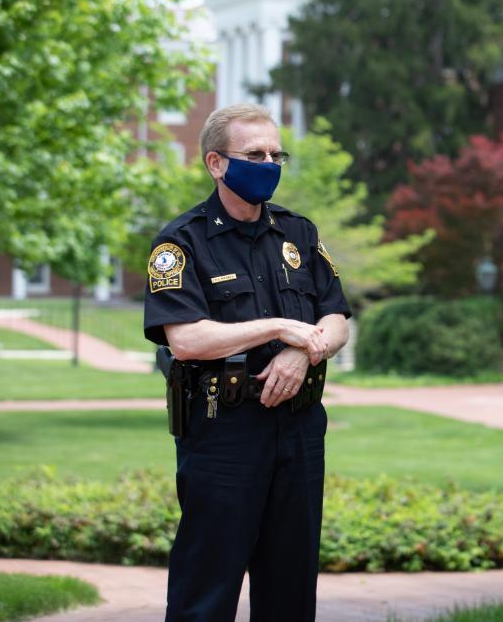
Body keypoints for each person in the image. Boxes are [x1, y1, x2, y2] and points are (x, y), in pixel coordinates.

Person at [143, 103, 351, 622]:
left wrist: (303, 350)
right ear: (216, 163)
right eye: (254, 154)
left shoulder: (298, 233)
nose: (269, 164)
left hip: (299, 430)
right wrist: (278, 328)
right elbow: (187, 338)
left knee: (291, 590)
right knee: (205, 591)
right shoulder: (180, 242)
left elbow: (337, 318)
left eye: (275, 154)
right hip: (223, 433)